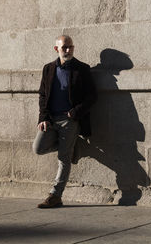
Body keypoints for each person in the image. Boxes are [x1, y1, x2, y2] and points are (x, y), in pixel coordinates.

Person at [32, 35, 97, 208]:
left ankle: (55, 195)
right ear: (56, 49)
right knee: (38, 148)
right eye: (64, 48)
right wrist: (43, 117)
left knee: (63, 157)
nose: (68, 50)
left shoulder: (81, 69)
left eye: (70, 47)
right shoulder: (48, 69)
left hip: (70, 120)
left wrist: (75, 112)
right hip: (51, 119)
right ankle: (70, 145)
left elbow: (92, 96)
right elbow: (43, 95)